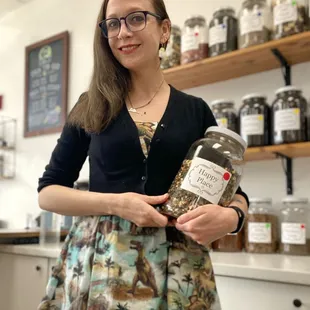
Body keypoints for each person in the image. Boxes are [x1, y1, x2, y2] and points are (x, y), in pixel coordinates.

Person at [37, 0, 249, 309]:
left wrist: (232, 218)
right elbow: (49, 193)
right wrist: (116, 203)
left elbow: (234, 193)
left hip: (180, 266)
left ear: (164, 30)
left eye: (136, 18)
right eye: (113, 23)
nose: (122, 32)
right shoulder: (90, 105)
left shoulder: (195, 110)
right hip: (102, 261)